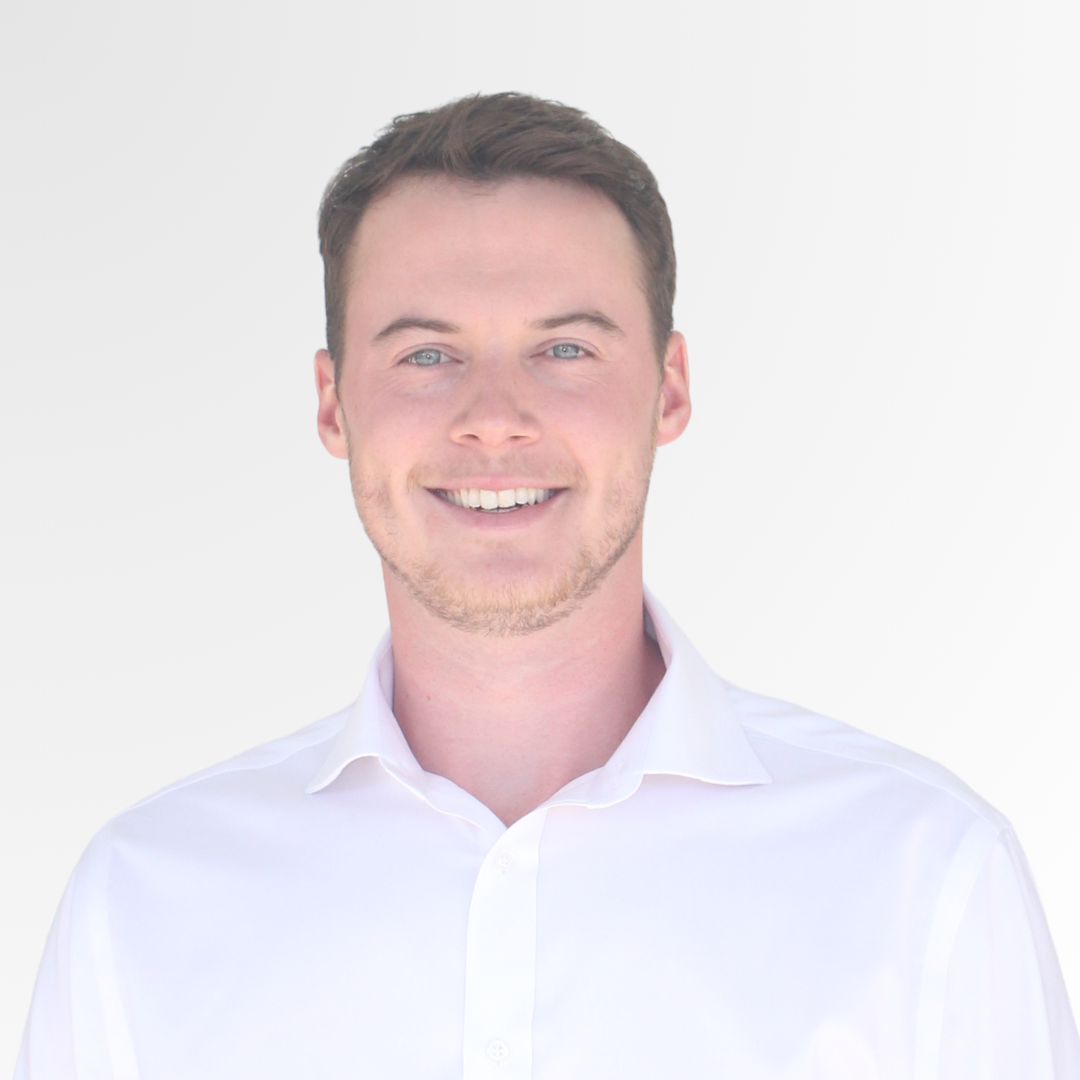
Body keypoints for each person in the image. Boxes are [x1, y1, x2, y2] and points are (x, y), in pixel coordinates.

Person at [15, 92, 1079, 1080]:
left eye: (564, 348)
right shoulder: (142, 904)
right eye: (426, 355)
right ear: (334, 406)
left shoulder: (924, 877)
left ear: (668, 390)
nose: (493, 415)